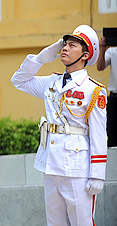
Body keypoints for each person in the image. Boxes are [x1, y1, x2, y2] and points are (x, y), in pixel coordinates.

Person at [11, 25, 107, 226]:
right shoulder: (51, 82)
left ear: (85, 55)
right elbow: (18, 80)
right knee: (55, 223)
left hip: (77, 167)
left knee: (82, 222)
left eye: (72, 45)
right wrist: (41, 57)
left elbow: (99, 134)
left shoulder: (93, 90)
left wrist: (97, 175)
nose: (65, 48)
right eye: (64, 45)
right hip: (51, 164)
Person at [97, 36, 117, 147]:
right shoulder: (112, 51)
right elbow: (100, 67)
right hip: (114, 99)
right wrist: (103, 49)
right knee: (112, 135)